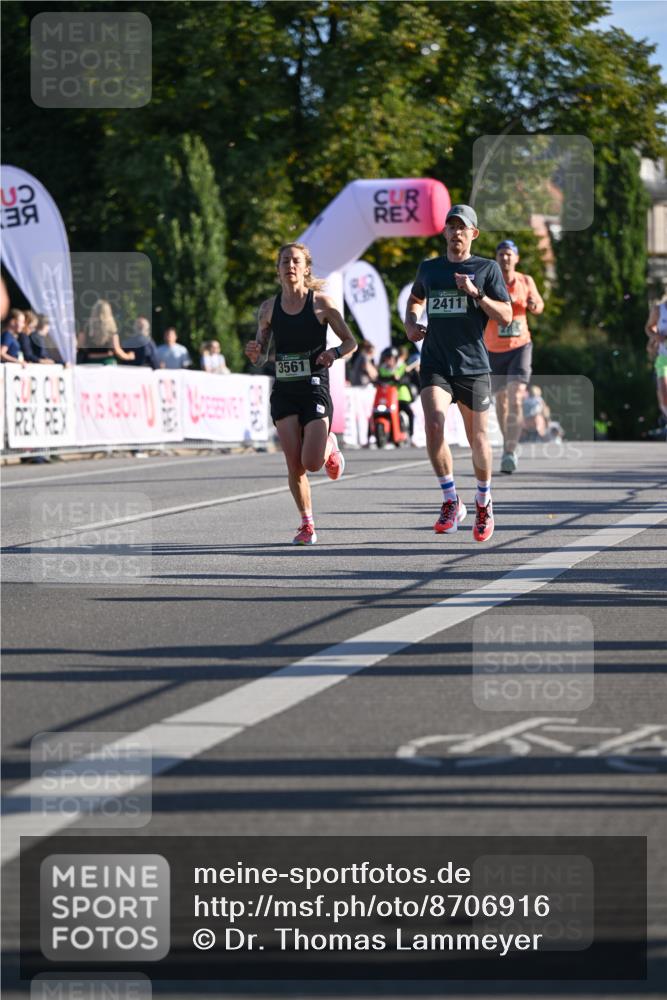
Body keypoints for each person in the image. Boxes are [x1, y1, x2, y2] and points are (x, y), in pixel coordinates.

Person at [404, 204, 512, 542]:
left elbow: (506, 315)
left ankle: (483, 501)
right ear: (445, 232)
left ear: (473, 234)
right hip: (435, 362)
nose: (456, 233)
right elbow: (415, 299)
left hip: (472, 365)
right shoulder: (430, 269)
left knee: (477, 438)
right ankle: (451, 499)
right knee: (434, 425)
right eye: (451, 227)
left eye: (462, 228)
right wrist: (410, 323)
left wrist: (476, 294)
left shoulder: (486, 269)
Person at [244, 242, 357, 545]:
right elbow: (261, 354)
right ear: (278, 269)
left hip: (314, 388)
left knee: (312, 463)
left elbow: (351, 342)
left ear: (306, 268)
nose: (290, 266)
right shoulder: (268, 309)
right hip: (285, 390)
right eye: (285, 261)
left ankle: (329, 445)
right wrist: (254, 352)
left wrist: (333, 353)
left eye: (296, 261)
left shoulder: (321, 304)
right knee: (294, 463)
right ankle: (307, 524)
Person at [484, 239, 544, 474]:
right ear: (496, 258)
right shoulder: (489, 280)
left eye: (509, 254)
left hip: (520, 346)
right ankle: (508, 443)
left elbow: (539, 305)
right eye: (501, 254)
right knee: (501, 400)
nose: (505, 258)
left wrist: (533, 305)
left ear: (516, 258)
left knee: (516, 396)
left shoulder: (525, 281)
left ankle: (509, 451)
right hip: (493, 349)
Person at [77, 299, 135, 364]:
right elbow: (116, 350)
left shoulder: (85, 328)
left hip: (89, 363)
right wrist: (128, 356)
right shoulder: (111, 329)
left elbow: (80, 346)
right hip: (107, 362)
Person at [377, 346, 415, 441]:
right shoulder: (382, 368)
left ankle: (411, 434)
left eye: (391, 358)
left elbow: (406, 379)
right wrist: (392, 378)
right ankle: (374, 436)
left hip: (401, 396)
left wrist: (399, 379)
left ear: (396, 358)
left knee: (409, 413)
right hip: (387, 397)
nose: (389, 360)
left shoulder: (402, 367)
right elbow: (380, 379)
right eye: (387, 358)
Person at [645, 292, 667, 428]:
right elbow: (649, 328)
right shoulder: (659, 309)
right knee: (664, 394)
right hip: (663, 358)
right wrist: (655, 337)